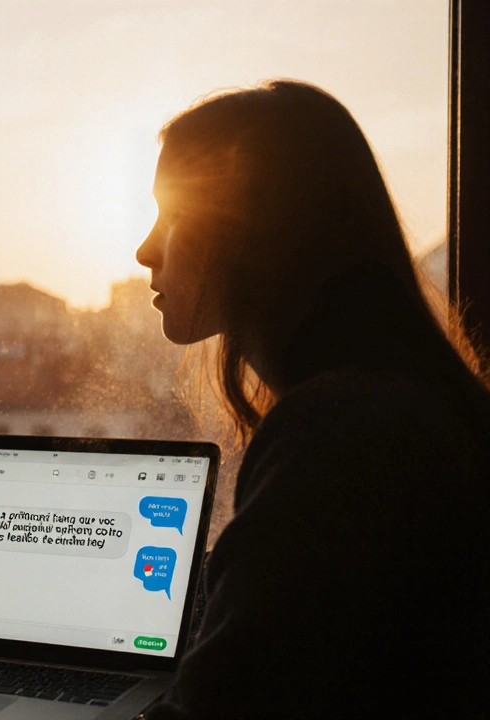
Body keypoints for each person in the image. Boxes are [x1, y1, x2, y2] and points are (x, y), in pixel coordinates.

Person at [133, 80, 488, 719]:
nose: (145, 250)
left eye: (173, 213)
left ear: (251, 230)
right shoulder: (403, 405)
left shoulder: (341, 437)